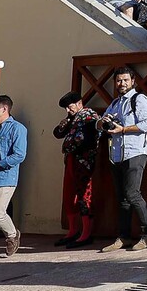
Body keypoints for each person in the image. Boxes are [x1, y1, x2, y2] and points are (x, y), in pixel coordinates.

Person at [97, 67, 147, 252]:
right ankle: (123, 237)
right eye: (118, 81)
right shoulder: (115, 103)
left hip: (135, 152)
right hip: (116, 154)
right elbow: (99, 125)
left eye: (125, 80)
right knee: (122, 198)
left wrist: (123, 129)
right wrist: (102, 122)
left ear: (133, 81)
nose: (121, 84)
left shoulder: (139, 99)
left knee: (132, 193)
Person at [52, 91, 100, 247]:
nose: (68, 110)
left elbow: (92, 136)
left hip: (84, 160)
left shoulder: (89, 116)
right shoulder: (72, 118)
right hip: (71, 159)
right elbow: (57, 133)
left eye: (70, 106)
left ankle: (86, 234)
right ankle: (73, 231)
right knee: (69, 194)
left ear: (79, 103)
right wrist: (63, 125)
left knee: (84, 195)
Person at [0, 95, 28, 262]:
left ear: (4, 108)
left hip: (4, 177)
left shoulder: (17, 128)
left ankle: (12, 234)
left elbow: (19, 154)